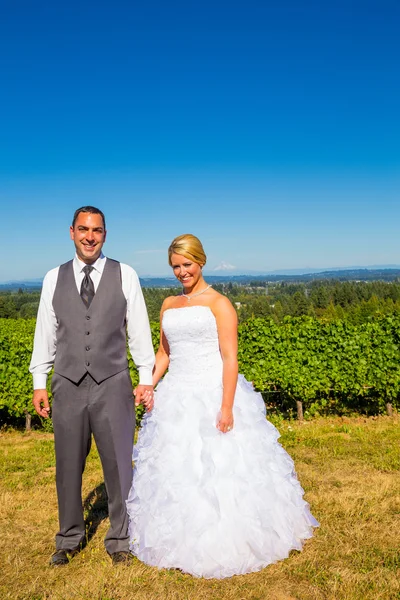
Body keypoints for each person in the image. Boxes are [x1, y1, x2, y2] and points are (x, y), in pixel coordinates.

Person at [126, 234, 319, 579]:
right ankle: (176, 540)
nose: (181, 272)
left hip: (213, 393)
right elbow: (165, 353)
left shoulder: (220, 304)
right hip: (176, 397)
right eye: (175, 267)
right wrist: (147, 383)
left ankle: (227, 541)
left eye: (187, 264)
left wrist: (226, 406)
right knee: (177, 469)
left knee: (219, 471)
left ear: (200, 261)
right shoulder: (168, 304)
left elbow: (231, 359)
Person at [30, 206, 155, 566]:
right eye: (83, 229)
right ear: (71, 232)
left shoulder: (125, 274)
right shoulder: (53, 278)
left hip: (113, 383)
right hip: (67, 384)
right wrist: (40, 382)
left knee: (118, 465)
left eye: (97, 230)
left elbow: (139, 330)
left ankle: (120, 539)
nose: (89, 236)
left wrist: (145, 377)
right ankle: (69, 536)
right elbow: (46, 333)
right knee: (67, 464)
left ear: (105, 234)